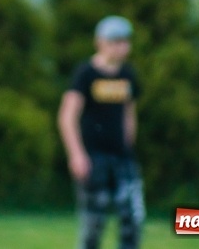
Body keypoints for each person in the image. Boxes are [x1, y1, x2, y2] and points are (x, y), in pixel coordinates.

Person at [57, 15, 145, 249]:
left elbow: (129, 114)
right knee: (93, 225)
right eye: (115, 41)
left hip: (122, 158)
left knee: (133, 219)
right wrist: (76, 155)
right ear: (100, 42)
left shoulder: (128, 75)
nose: (121, 46)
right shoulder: (85, 73)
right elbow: (67, 116)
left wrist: (128, 148)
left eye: (125, 41)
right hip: (93, 158)